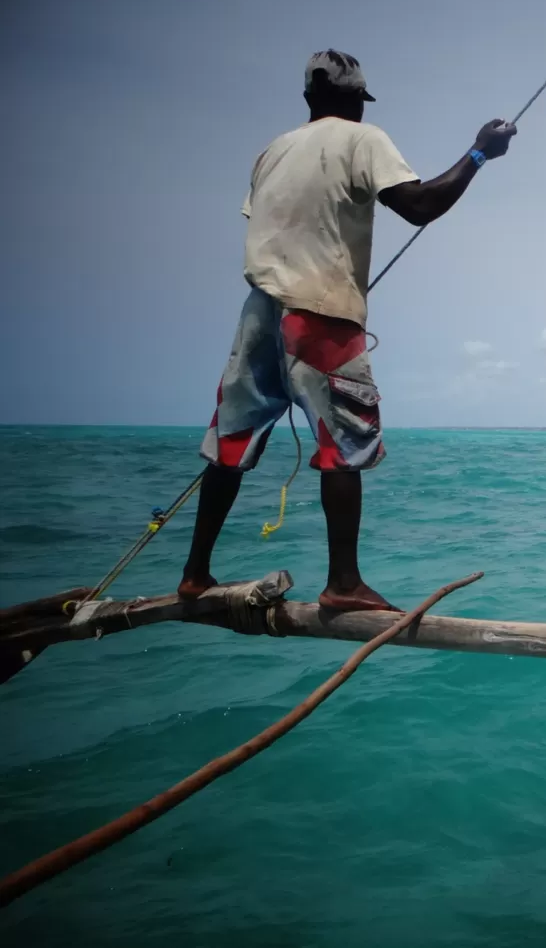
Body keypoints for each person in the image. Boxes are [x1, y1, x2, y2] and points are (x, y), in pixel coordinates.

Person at [179, 50, 515, 610]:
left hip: (259, 312)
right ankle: (342, 584)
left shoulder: (271, 151)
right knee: (345, 447)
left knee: (230, 445)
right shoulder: (364, 138)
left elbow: (273, 217)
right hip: (322, 314)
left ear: (309, 98)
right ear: (358, 100)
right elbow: (421, 205)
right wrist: (480, 151)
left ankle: (194, 574)